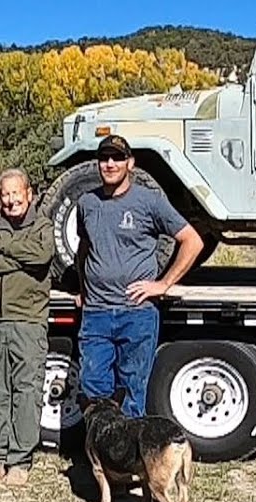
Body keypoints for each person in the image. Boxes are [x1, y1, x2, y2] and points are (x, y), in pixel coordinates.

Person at [75, 134, 203, 418]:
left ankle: (130, 457)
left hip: (137, 313)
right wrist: (83, 289)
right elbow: (83, 250)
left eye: (117, 158)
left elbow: (192, 241)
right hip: (96, 312)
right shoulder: (87, 203)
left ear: (130, 163)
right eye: (104, 158)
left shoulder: (149, 202)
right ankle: (102, 455)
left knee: (132, 392)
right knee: (93, 387)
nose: (109, 164)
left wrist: (164, 284)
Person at [0, 168, 54, 487]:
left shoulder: (42, 226)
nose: (11, 199)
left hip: (28, 320)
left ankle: (20, 459)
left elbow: (43, 255)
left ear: (28, 194)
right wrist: (19, 257)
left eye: (17, 193)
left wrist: (2, 249)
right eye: (5, 194)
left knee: (26, 390)